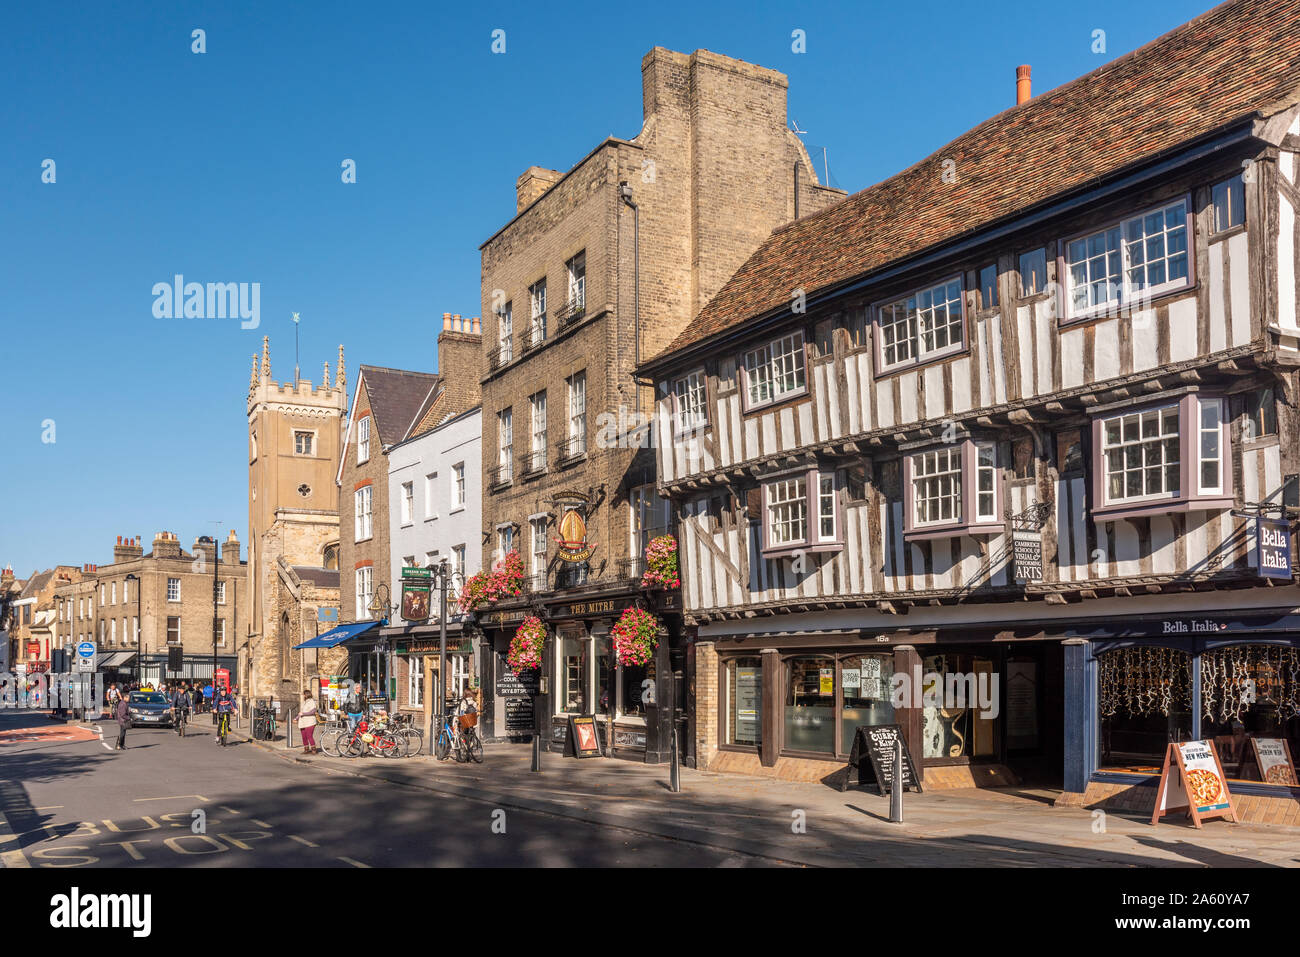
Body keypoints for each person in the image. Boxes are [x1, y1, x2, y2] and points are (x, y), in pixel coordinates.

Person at [298, 690, 319, 754]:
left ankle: (313, 749)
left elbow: (312, 711)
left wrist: (304, 714)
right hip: (303, 722)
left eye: (304, 694)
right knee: (304, 736)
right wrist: (296, 718)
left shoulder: (312, 702)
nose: (303, 696)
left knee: (309, 735)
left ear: (306, 694)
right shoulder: (303, 702)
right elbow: (301, 712)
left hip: (310, 721)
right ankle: (306, 749)